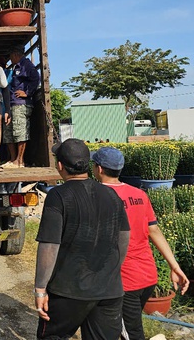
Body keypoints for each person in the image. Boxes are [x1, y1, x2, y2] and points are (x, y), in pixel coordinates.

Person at [34, 138, 130, 340]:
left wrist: (40, 288)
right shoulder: (112, 195)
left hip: (68, 291)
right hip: (109, 290)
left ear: (60, 166)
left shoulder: (58, 196)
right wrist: (111, 270)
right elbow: (123, 238)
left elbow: (49, 246)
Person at [91, 146, 190, 340]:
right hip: (147, 276)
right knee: (125, 327)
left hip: (123, 280)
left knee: (131, 332)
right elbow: (154, 231)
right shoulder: (139, 194)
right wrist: (174, 266)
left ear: (99, 169)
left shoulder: (96, 196)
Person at [2, 45, 39, 168]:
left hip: (21, 104)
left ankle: (19, 160)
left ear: (15, 55)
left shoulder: (26, 65)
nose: (10, 59)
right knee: (8, 132)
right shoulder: (16, 67)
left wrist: (27, 93)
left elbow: (36, 78)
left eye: (11, 56)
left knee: (20, 131)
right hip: (12, 103)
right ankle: (13, 159)